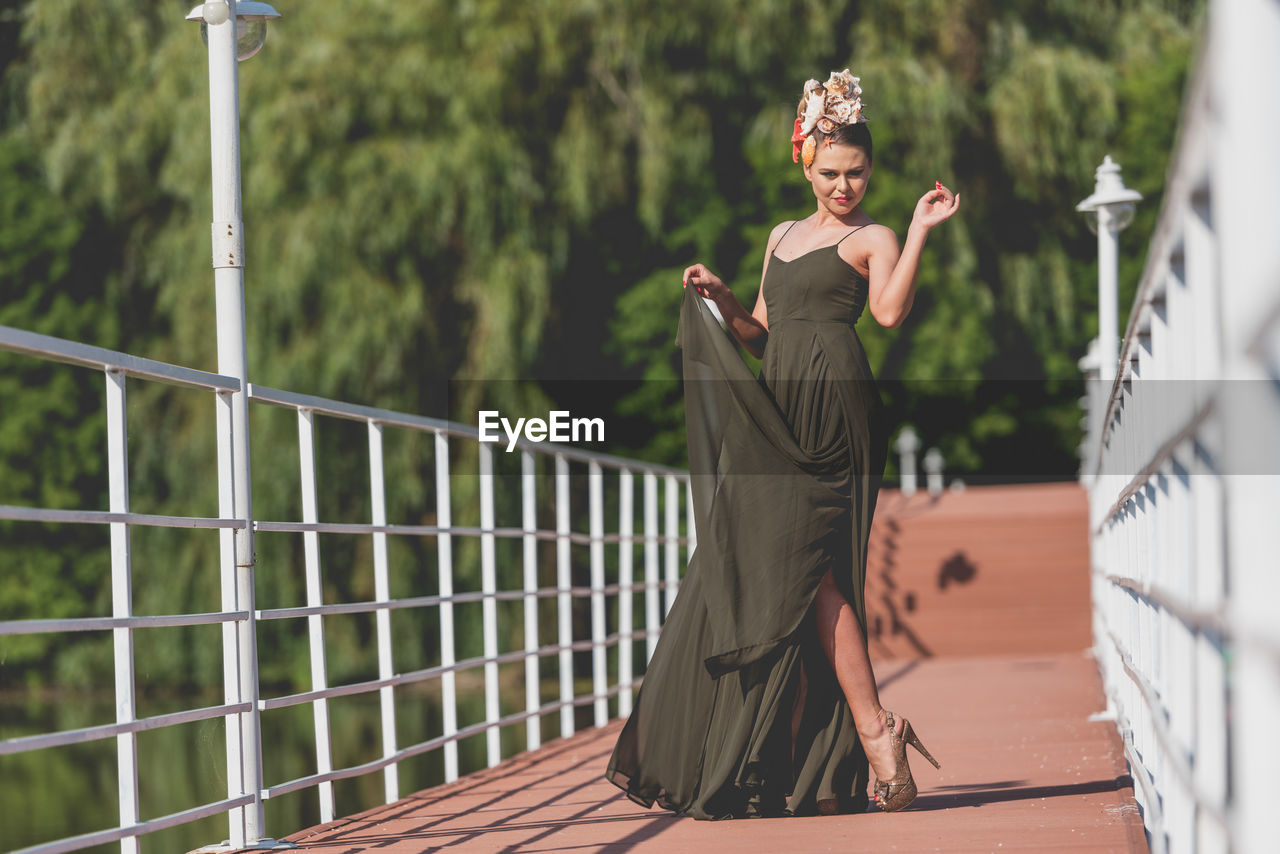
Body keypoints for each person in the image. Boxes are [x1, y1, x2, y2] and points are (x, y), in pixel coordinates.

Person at [604, 69, 960, 818]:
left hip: (835, 412)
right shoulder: (780, 237)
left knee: (812, 576)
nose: (844, 186)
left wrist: (922, 229)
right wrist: (723, 298)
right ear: (806, 164)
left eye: (856, 172)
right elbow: (761, 334)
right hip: (781, 407)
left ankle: (871, 735)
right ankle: (845, 747)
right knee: (789, 576)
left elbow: (889, 315)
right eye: (831, 172)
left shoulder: (876, 236)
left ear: (870, 171)